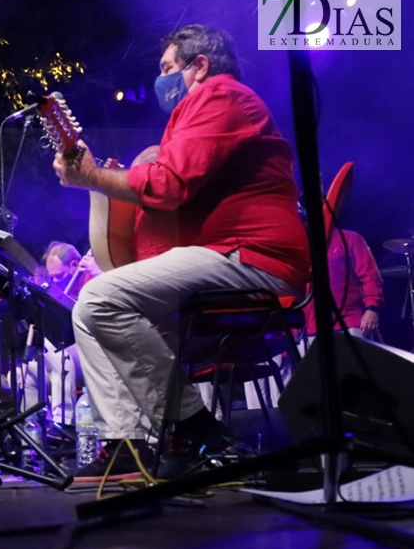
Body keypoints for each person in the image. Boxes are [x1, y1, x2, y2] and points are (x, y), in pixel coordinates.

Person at [52, 24, 310, 481]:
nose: (162, 79)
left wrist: (93, 178)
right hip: (229, 256)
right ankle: (127, 445)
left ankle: (194, 428)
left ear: (200, 67)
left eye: (168, 68)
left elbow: (168, 186)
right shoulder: (204, 109)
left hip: (252, 257)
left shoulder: (220, 96)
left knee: (99, 300)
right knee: (92, 318)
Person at [21, 242, 100, 431]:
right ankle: (33, 429)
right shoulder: (57, 290)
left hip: (94, 352)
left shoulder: (93, 280)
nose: (55, 282)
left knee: (57, 353)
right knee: (21, 375)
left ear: (75, 265)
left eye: (59, 276)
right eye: (52, 277)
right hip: (72, 354)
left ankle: (63, 422)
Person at [304, 228, 385, 341]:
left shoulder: (351, 239)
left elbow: (369, 275)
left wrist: (372, 308)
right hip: (311, 326)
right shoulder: (300, 246)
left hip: (350, 320)